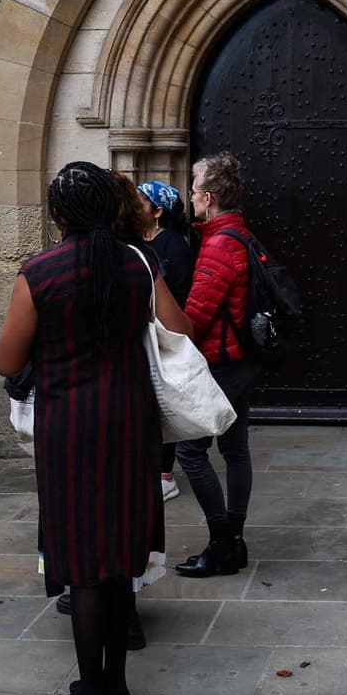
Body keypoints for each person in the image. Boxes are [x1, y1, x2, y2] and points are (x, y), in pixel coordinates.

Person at [0, 162, 192, 695]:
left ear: (58, 214)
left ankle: (91, 693)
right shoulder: (139, 263)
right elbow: (180, 332)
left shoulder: (40, 273)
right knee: (121, 548)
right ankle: (117, 683)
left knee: (83, 558)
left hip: (70, 426)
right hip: (131, 420)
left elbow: (7, 360)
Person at [172, 152, 259, 578]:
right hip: (240, 364)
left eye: (193, 191)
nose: (190, 198)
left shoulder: (219, 245)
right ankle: (235, 541)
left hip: (220, 365)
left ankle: (223, 541)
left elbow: (196, 318)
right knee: (236, 450)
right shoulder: (239, 234)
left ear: (208, 197)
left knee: (190, 453)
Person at [136, 180, 194, 502]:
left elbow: (181, 296)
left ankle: (164, 474)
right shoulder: (136, 241)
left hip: (163, 335)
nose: (135, 205)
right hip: (141, 335)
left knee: (163, 403)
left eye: (142, 201)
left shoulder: (174, 246)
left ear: (158, 211)